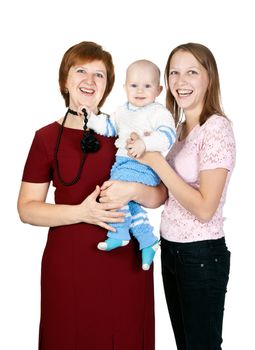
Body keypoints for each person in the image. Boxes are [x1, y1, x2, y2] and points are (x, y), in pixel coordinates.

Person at [17, 41, 167, 350]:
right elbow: (27, 209)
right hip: (69, 267)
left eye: (99, 75)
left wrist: (135, 190)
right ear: (65, 80)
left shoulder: (128, 133)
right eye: (81, 71)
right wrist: (82, 213)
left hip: (126, 264)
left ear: (108, 86)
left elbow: (160, 195)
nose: (89, 81)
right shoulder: (45, 138)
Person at [127, 43, 236, 349]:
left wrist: (155, 160)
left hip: (200, 256)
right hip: (172, 251)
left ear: (209, 78)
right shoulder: (177, 131)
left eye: (191, 72)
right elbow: (167, 194)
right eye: (174, 72)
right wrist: (129, 189)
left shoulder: (216, 129)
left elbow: (204, 209)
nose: (180, 81)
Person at [85, 59, 176, 270]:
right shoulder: (122, 111)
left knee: (114, 192)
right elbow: (108, 128)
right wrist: (91, 118)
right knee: (130, 202)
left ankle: (119, 232)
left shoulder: (157, 112)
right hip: (122, 163)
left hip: (143, 166)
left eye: (148, 86)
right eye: (134, 85)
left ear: (159, 89)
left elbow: (167, 136)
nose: (140, 91)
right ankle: (148, 241)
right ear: (125, 87)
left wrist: (145, 143)